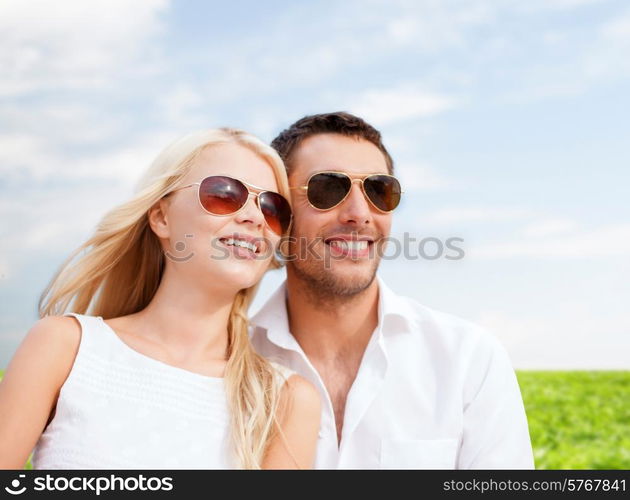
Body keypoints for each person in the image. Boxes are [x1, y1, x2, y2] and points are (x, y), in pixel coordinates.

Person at [0, 128, 321, 469]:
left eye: (272, 208)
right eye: (225, 194)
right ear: (161, 217)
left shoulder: (286, 400)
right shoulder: (65, 347)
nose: (255, 218)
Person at [250, 112, 534, 469]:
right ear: (277, 211)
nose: (359, 214)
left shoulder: (469, 360)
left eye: (378, 191)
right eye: (327, 189)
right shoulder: (231, 364)